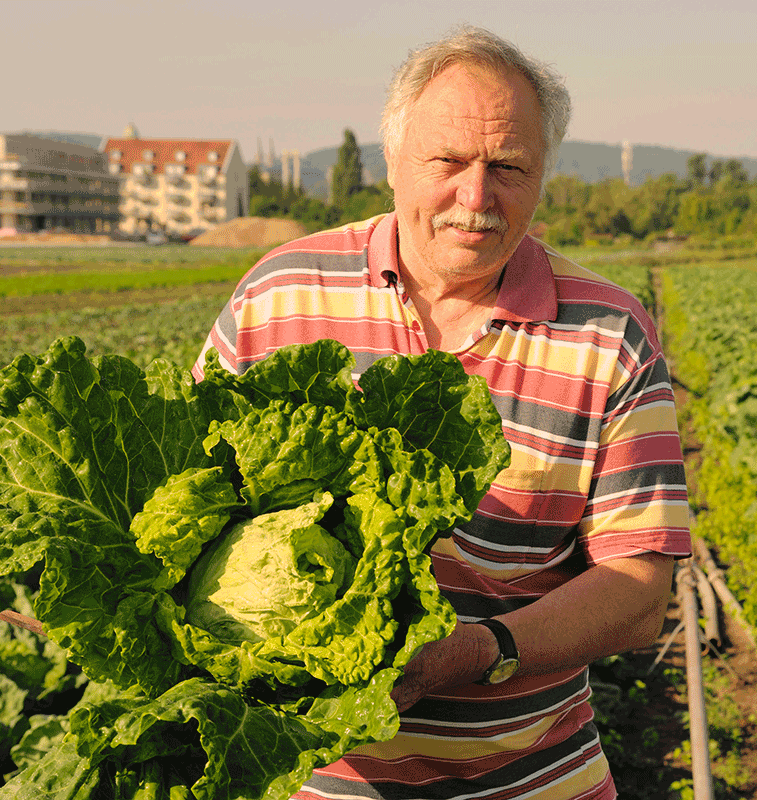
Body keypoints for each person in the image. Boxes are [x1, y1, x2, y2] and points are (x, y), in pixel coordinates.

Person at [193, 25, 691, 800]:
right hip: (307, 781)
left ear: (543, 178)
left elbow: (637, 590)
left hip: (530, 778)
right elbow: (179, 504)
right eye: (448, 160)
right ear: (392, 160)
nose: (476, 196)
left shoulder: (610, 334)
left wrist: (475, 650)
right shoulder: (278, 295)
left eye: (509, 166)